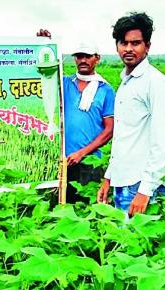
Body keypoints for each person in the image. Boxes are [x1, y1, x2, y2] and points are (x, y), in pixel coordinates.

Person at [97, 12, 165, 217]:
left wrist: (145, 191)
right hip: (123, 182)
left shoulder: (154, 82)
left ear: (147, 46)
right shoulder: (126, 82)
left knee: (135, 247)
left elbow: (162, 141)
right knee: (124, 245)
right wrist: (109, 177)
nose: (128, 49)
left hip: (140, 186)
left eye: (135, 43)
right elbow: (123, 137)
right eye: (123, 43)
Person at [63, 44, 115, 203]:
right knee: (63, 209)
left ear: (97, 58)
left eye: (88, 56)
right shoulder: (64, 83)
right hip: (63, 161)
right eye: (79, 56)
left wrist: (81, 153)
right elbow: (44, 73)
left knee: (87, 210)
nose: (83, 60)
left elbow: (109, 130)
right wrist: (43, 44)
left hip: (89, 164)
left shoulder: (105, 90)